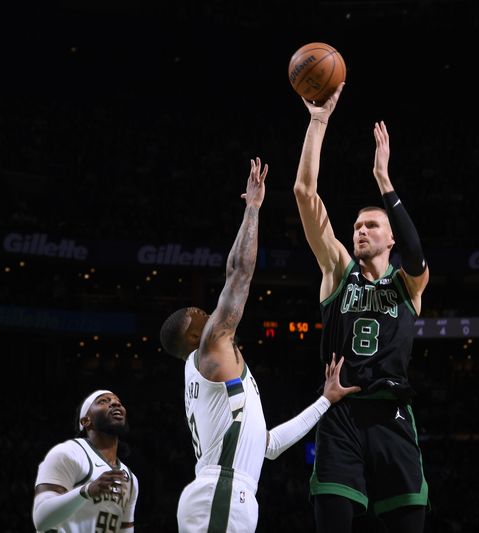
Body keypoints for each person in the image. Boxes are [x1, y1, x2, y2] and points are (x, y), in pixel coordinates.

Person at [159, 157, 360, 533]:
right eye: (196, 313)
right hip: (221, 490)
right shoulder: (208, 350)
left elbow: (268, 444)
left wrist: (325, 401)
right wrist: (252, 208)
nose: (205, 311)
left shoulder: (218, 378)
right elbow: (238, 274)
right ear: (191, 337)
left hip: (229, 491)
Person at [293, 82, 430, 532]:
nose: (360, 230)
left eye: (372, 225)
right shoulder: (337, 270)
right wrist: (319, 120)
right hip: (340, 412)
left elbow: (415, 252)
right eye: (356, 225)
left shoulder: (409, 283)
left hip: (391, 410)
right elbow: (304, 193)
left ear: (389, 237)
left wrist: (386, 183)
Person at [33, 389, 139, 532]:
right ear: (86, 420)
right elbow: (41, 519)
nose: (115, 403)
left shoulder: (130, 478)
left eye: (118, 402)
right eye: (103, 401)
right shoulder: (68, 453)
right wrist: (86, 491)